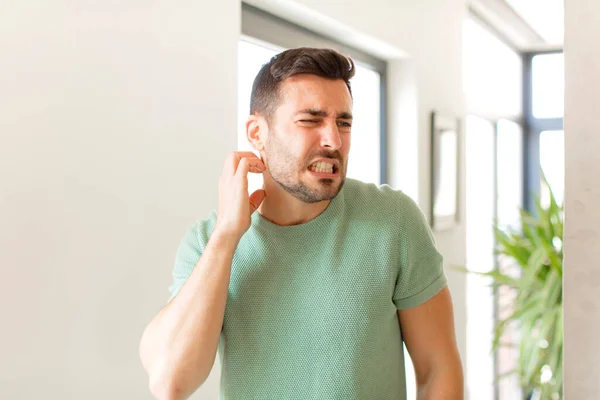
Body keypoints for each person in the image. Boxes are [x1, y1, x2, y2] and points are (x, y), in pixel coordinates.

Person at [139, 47, 464, 400]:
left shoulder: (393, 221)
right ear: (256, 133)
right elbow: (170, 382)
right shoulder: (207, 242)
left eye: (344, 122)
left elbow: (437, 370)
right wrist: (227, 238)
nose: (334, 140)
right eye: (310, 120)